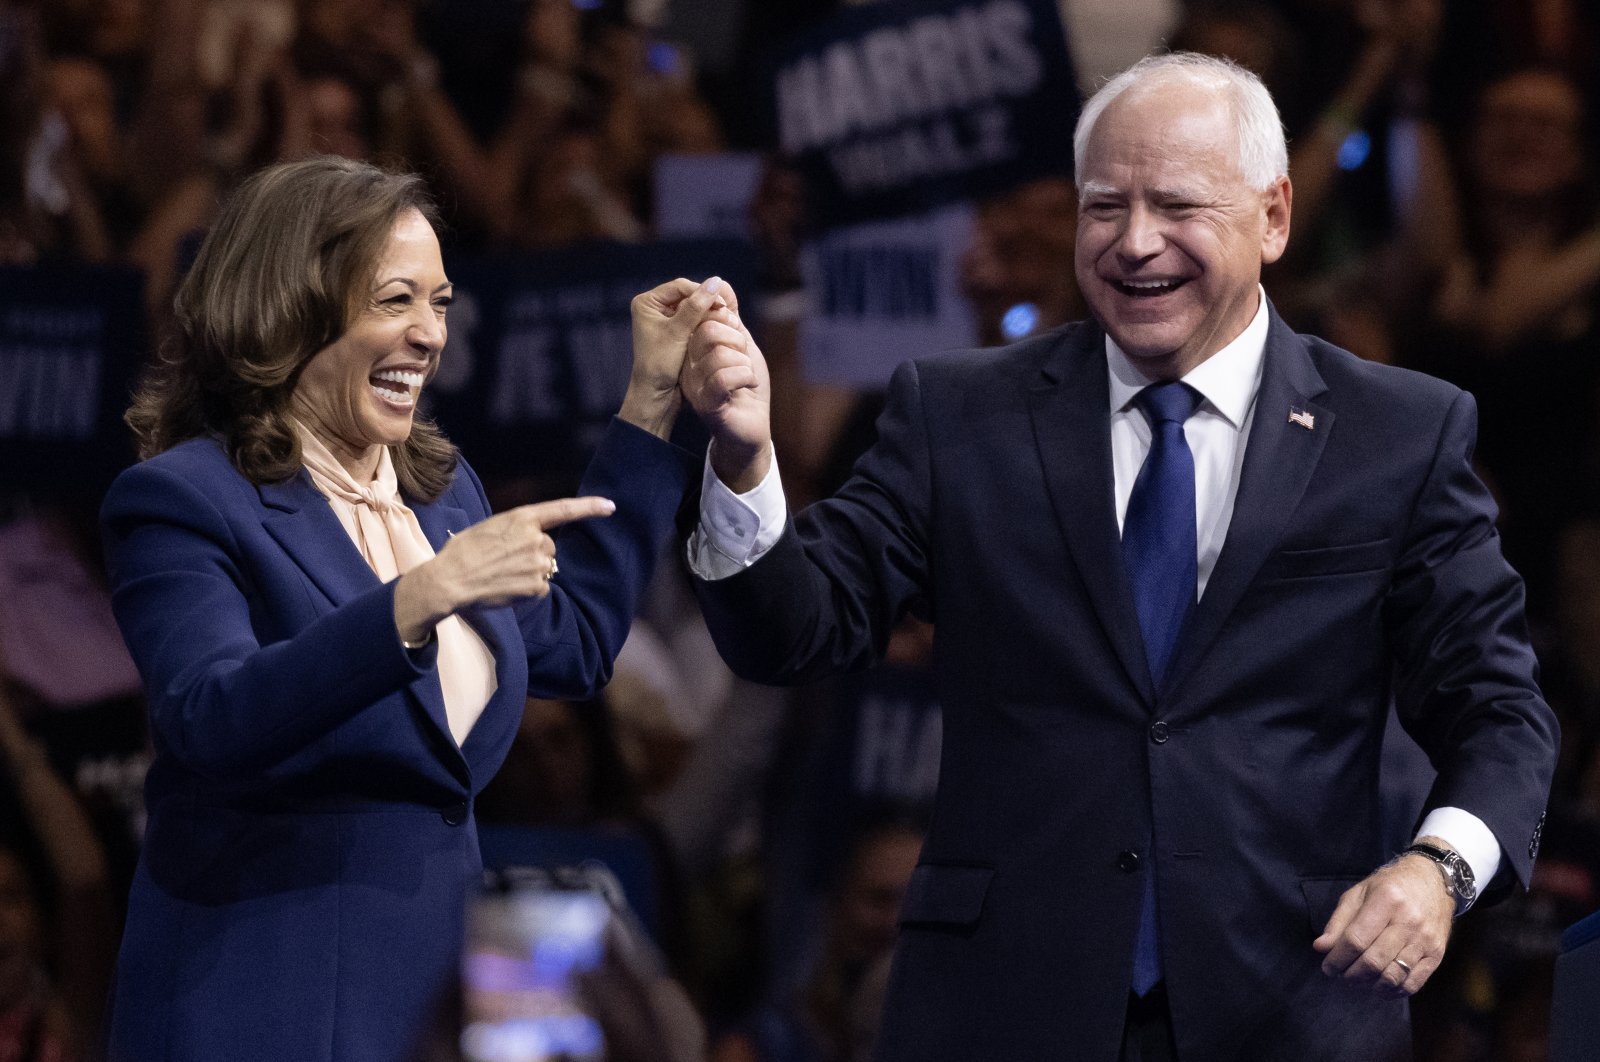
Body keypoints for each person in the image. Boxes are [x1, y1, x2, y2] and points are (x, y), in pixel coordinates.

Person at [675, 54, 1558, 1061]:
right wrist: (745, 461)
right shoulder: (959, 413)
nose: (1135, 244)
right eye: (1105, 207)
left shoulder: (1396, 433)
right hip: (1000, 1005)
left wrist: (1436, 869)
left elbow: (1499, 710)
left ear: (1272, 217)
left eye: (1176, 205)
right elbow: (792, 630)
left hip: (1291, 1006)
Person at [98, 155, 720, 1062]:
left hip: (430, 1002)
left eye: (439, 302)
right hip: (262, 998)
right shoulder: (184, 500)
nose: (429, 335)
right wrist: (417, 599)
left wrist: (652, 402)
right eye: (395, 301)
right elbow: (210, 714)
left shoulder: (440, 494)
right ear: (293, 307)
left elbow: (578, 644)